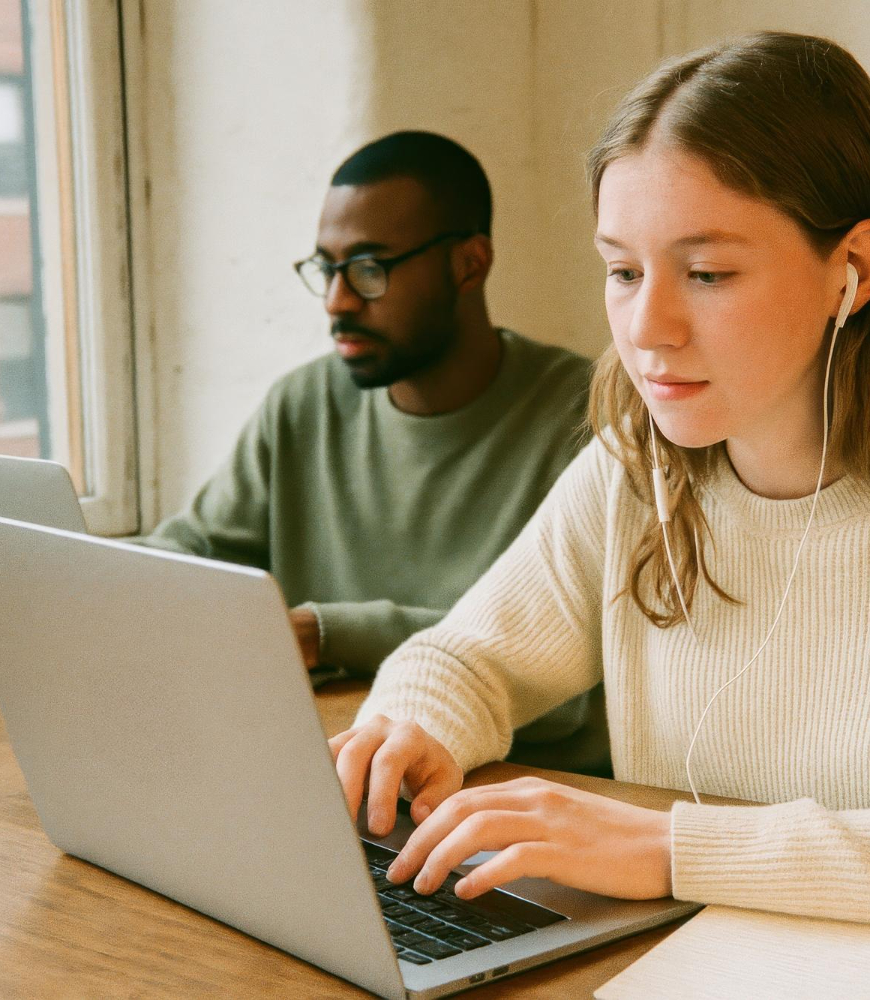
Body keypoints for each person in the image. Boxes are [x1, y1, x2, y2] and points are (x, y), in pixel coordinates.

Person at [329, 34, 870, 955]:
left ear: (853, 266)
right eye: (623, 270)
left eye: (707, 273)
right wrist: (410, 724)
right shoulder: (639, 467)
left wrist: (673, 848)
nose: (646, 328)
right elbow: (469, 658)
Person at [144, 131, 603, 766]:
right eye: (326, 269)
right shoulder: (302, 405)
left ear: (469, 263)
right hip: (331, 767)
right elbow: (185, 558)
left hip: (515, 791)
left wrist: (328, 631)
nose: (338, 301)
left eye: (369, 269)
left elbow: (571, 684)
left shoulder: (591, 421)